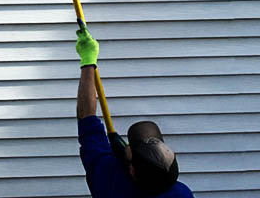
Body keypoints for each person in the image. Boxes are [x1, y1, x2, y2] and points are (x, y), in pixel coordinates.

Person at [76, 26, 194, 198]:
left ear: (131, 170)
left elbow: (87, 121)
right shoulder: (181, 194)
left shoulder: (109, 180)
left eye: (133, 146)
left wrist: (88, 60)